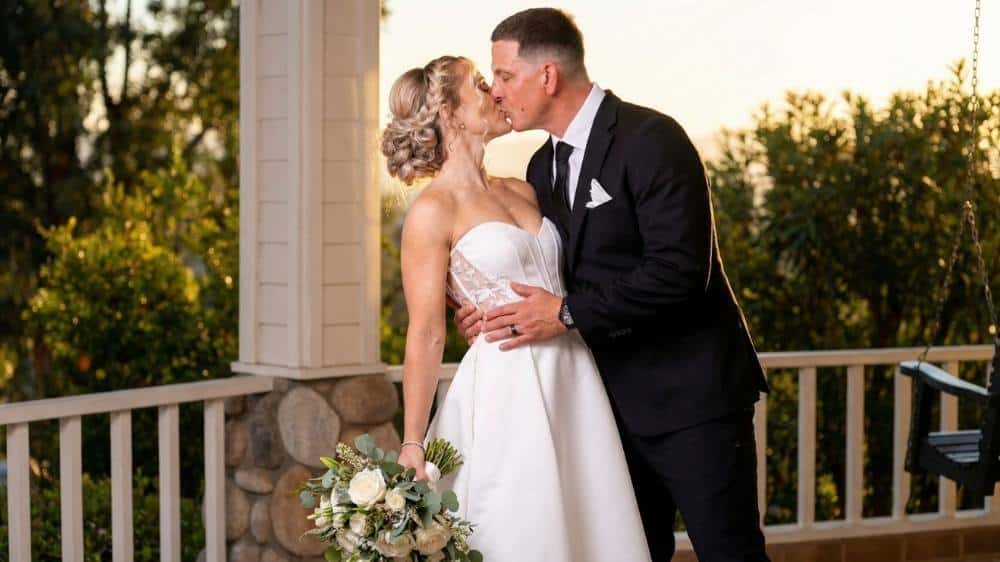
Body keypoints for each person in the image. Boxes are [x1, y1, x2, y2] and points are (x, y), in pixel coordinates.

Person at [454, 8, 772, 561]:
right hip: (602, 411)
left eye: (505, 76)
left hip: (691, 404)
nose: (497, 92)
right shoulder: (539, 167)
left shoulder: (653, 139)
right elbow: (549, 269)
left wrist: (566, 314)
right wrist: (489, 307)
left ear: (547, 76)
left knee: (731, 555)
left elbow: (679, 272)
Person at [384, 55, 651, 561]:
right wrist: (412, 441)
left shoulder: (525, 187)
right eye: (482, 85)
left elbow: (570, 273)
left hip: (574, 375)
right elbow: (425, 333)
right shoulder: (431, 212)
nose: (497, 93)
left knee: (590, 527)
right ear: (452, 113)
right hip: (507, 389)